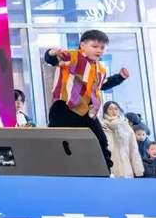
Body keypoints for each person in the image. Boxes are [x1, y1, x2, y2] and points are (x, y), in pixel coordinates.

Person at [44, 30, 128, 168]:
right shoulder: (73, 56)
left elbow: (102, 84)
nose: (99, 50)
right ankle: (54, 169)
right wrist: (51, 53)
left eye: (102, 47)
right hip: (65, 107)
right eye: (94, 46)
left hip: (87, 111)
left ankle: (104, 170)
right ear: (82, 45)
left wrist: (120, 77)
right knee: (59, 141)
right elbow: (52, 59)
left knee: (100, 140)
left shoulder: (100, 68)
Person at [100, 101, 143, 178]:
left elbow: (133, 150)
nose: (114, 111)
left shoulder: (126, 126)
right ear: (105, 111)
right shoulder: (101, 127)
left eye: (116, 109)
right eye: (110, 109)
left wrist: (138, 171)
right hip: (109, 168)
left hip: (126, 169)